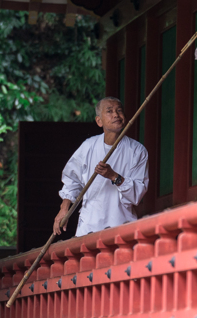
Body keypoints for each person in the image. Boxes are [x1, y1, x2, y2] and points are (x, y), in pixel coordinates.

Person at [54, 97, 149, 237]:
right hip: (89, 225)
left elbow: (137, 194)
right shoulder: (88, 146)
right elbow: (71, 179)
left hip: (121, 225)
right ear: (99, 121)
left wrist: (114, 176)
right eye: (109, 111)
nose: (116, 115)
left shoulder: (137, 151)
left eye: (119, 110)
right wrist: (64, 209)